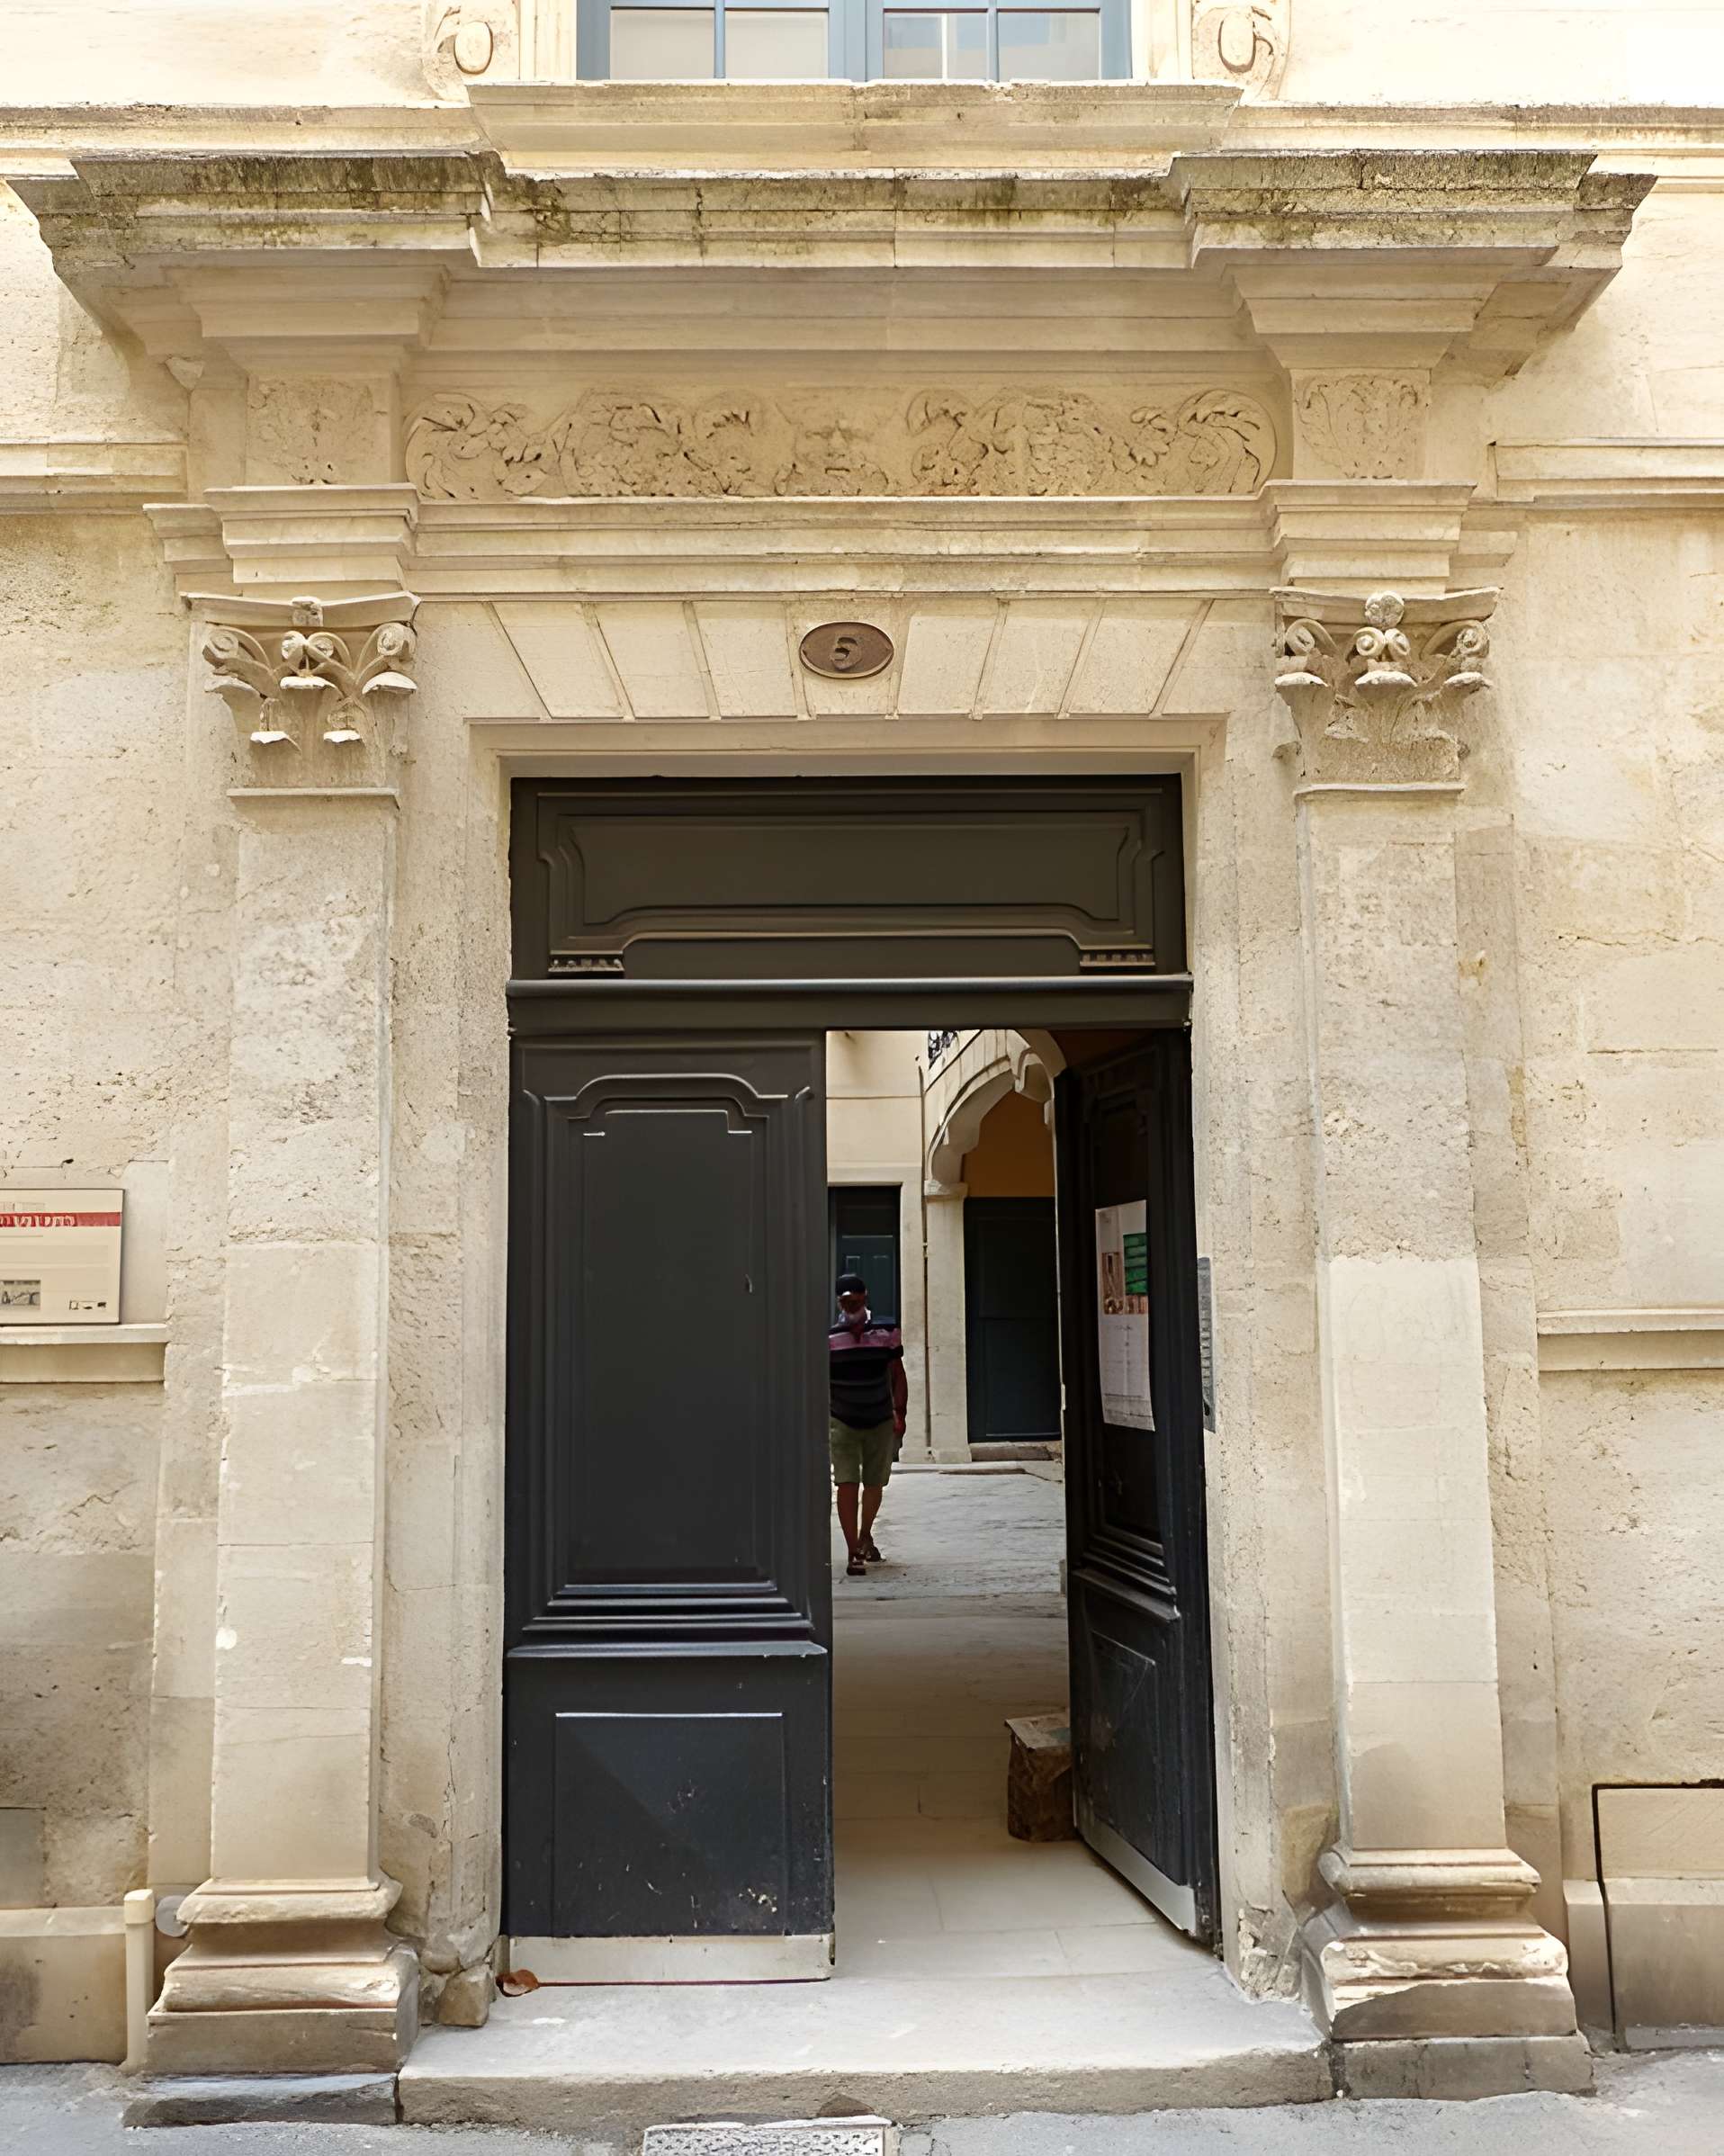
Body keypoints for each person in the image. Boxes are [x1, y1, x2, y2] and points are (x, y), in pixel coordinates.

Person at [828, 1271, 906, 1580]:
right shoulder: (831, 1336)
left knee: (875, 1483)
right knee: (846, 1483)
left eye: (855, 1301)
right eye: (846, 1303)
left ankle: (864, 1534)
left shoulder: (887, 1329)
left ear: (865, 1298)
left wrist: (900, 1411)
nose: (851, 1307)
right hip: (841, 1419)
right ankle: (853, 1552)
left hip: (880, 1418)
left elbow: (897, 1373)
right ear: (839, 1303)